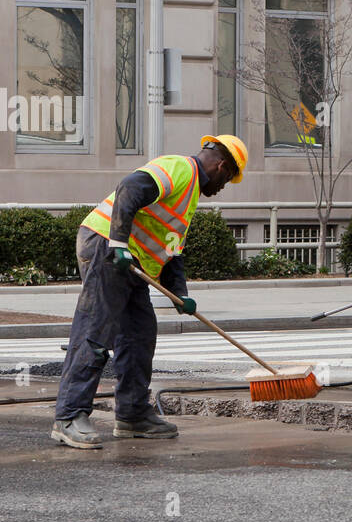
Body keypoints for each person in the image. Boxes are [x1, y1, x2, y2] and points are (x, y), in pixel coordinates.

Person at [50, 135, 249, 449]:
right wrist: (117, 243)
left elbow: (172, 250)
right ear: (222, 166)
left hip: (131, 262)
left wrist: (180, 294)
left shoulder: (190, 194)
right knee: (96, 331)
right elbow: (129, 188)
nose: (224, 186)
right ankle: (69, 416)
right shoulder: (180, 168)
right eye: (228, 179)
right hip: (106, 246)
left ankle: (132, 414)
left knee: (139, 335)